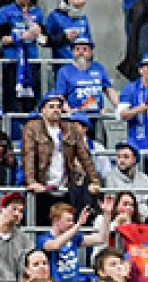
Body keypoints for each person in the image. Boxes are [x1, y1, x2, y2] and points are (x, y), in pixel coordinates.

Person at [20, 94, 96, 226]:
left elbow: (85, 157)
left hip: (65, 186)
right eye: (51, 107)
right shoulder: (32, 128)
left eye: (58, 107)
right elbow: (28, 156)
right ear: (42, 110)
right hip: (43, 187)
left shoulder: (71, 129)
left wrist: (94, 180)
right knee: (41, 225)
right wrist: (32, 181)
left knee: (66, 225)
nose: (56, 110)